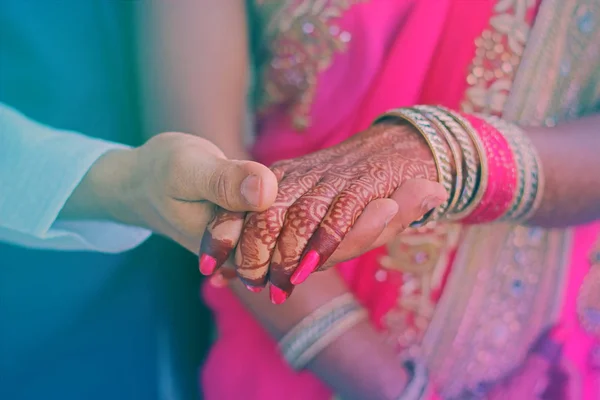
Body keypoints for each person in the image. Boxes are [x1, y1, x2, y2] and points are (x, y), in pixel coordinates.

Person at [154, 0, 600, 399]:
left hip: (548, 353)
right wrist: (397, 390)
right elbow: (201, 170)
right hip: (293, 323)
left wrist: (438, 151)